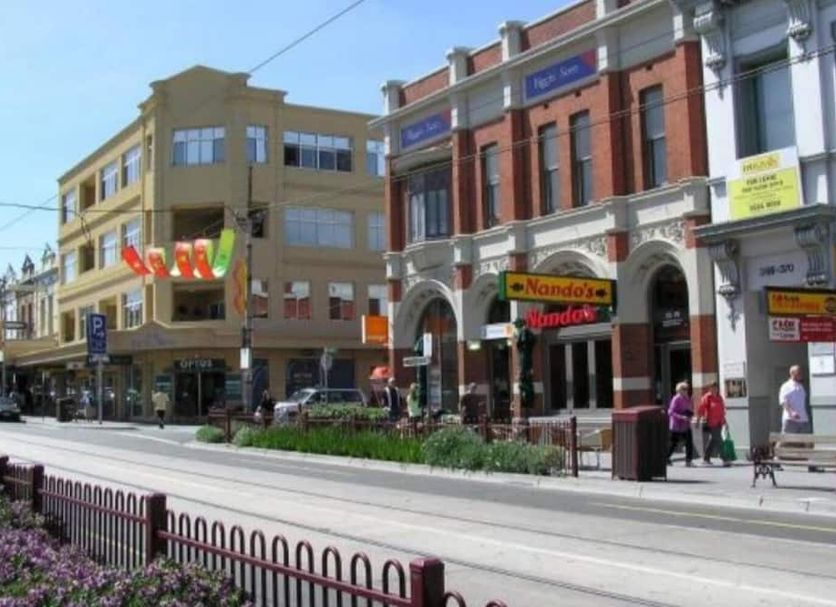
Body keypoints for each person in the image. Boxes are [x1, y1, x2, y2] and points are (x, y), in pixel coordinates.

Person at [697, 382, 729, 466]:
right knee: (719, 440)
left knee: (713, 440)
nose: (714, 389)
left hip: (719, 422)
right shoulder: (707, 397)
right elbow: (701, 408)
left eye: (715, 387)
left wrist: (725, 422)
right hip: (711, 422)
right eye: (712, 387)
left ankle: (706, 458)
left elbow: (722, 410)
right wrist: (698, 420)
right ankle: (725, 459)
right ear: (710, 388)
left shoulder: (719, 397)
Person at [667, 381, 694, 466]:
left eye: (686, 389)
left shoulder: (687, 398)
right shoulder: (676, 398)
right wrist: (681, 417)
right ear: (679, 390)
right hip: (676, 425)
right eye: (684, 389)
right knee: (673, 443)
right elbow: (670, 412)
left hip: (685, 424)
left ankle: (688, 461)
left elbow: (689, 409)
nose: (686, 390)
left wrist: (690, 414)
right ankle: (666, 458)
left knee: (689, 442)